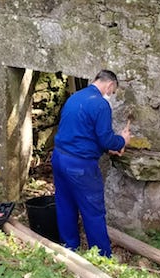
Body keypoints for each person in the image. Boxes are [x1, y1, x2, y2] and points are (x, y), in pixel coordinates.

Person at [52, 70, 131, 258]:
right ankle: (102, 256)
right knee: (93, 210)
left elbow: (82, 132)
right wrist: (121, 141)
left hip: (59, 157)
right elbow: (105, 139)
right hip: (81, 165)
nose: (110, 95)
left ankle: (69, 247)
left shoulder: (75, 97)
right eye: (112, 92)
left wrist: (105, 147)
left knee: (65, 203)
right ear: (110, 85)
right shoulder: (101, 105)